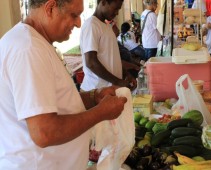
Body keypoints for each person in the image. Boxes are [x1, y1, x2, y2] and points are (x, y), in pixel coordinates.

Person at [0, 0, 127, 169]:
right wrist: (101, 113)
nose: (78, 23)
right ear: (50, 8)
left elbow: (57, 104)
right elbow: (44, 132)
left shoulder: (31, 42)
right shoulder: (29, 49)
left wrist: (94, 96)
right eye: (74, 15)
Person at [80, 0, 136, 92]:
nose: (117, 13)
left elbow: (112, 60)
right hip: (96, 91)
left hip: (108, 90)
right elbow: (91, 62)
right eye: (115, 9)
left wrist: (126, 74)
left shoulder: (106, 26)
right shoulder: (91, 25)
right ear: (103, 2)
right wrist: (118, 81)